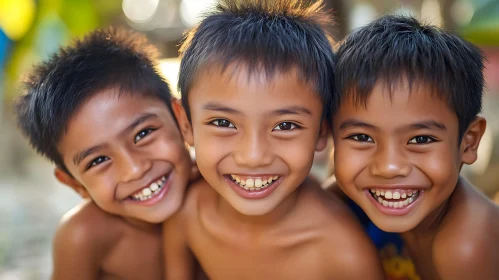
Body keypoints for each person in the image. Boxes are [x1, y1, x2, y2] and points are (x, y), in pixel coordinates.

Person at [163, 1, 385, 279]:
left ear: (322, 132)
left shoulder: (343, 252)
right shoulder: (187, 214)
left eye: (285, 125)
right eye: (223, 123)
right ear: (186, 124)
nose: (253, 156)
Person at [15, 27, 193, 279]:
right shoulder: (83, 236)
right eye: (98, 160)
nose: (134, 169)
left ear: (180, 118)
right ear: (76, 184)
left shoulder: (220, 189)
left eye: (143, 133)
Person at [331, 15, 499, 279]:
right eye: (362, 138)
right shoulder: (348, 191)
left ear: (468, 141)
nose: (388, 167)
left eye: (421, 140)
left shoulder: (466, 249)